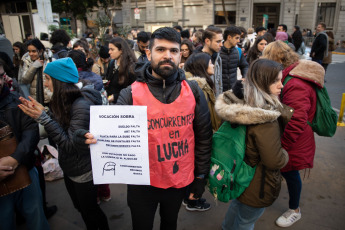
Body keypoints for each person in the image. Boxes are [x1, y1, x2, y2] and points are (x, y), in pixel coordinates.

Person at [82, 27, 212, 230]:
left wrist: (201, 177)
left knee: (170, 224)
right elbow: (113, 136)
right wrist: (94, 138)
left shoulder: (193, 90)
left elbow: (203, 137)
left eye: (173, 51)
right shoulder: (130, 94)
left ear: (180, 55)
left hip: (178, 180)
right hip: (142, 183)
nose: (167, 56)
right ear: (149, 53)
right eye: (161, 49)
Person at [18, 57, 109, 230]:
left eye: (47, 79)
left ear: (59, 81)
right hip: (70, 168)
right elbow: (62, 129)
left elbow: (69, 145)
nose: (45, 84)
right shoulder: (61, 101)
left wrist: (44, 118)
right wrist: (45, 113)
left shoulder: (81, 105)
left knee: (90, 212)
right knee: (80, 208)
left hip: (83, 171)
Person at [218, 58, 291, 230]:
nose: (281, 85)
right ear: (262, 82)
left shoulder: (240, 104)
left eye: (281, 79)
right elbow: (274, 160)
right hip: (257, 181)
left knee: (237, 206)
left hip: (237, 173)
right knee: (246, 221)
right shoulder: (266, 118)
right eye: (275, 81)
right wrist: (285, 155)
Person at [262, 40, 325, 227]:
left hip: (294, 140)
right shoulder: (290, 76)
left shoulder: (294, 83)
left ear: (274, 60)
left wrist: (283, 148)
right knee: (284, 172)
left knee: (291, 173)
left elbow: (296, 120)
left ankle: (294, 210)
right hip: (289, 136)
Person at [0, 68, 50, 230]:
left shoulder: (15, 100)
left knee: (35, 214)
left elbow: (30, 130)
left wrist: (15, 158)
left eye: (0, 76)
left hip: (25, 168)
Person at [18, 39, 51, 104]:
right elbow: (25, 80)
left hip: (49, 98)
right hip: (35, 99)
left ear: (41, 51)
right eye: (29, 51)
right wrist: (34, 66)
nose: (31, 54)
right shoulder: (27, 61)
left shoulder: (49, 60)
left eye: (33, 51)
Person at [105, 37, 137, 104]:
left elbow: (133, 90)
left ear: (121, 50)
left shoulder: (131, 67)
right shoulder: (111, 63)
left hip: (124, 104)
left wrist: (115, 96)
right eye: (109, 49)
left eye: (112, 49)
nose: (109, 52)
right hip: (110, 101)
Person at [194, 26, 223, 97]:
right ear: (207, 41)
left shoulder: (218, 57)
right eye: (218, 41)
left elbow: (219, 83)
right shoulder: (195, 60)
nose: (221, 45)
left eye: (221, 41)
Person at [220, 26, 249, 92]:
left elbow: (245, 66)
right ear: (229, 37)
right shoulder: (217, 51)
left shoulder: (238, 51)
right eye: (237, 38)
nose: (238, 40)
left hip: (233, 89)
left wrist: (244, 76)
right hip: (219, 90)